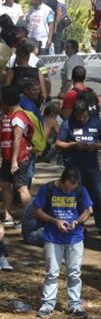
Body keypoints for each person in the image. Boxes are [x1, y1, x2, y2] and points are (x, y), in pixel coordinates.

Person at [33, 168, 93, 319]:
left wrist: (76, 221)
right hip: (52, 237)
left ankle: (75, 305)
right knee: (52, 272)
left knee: (74, 273)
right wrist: (55, 221)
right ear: (61, 180)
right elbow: (37, 210)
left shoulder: (80, 190)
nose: (69, 191)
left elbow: (87, 211)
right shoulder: (48, 189)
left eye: (72, 188)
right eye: (67, 188)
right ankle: (47, 304)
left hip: (75, 237)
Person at [55, 100, 101, 234]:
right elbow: (58, 144)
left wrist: (95, 146)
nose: (81, 119)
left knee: (98, 194)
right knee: (76, 195)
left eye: (84, 116)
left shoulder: (97, 122)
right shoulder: (67, 124)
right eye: (78, 116)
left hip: (92, 166)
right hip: (73, 167)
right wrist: (73, 145)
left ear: (88, 112)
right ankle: (78, 224)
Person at [0, 86, 33, 226]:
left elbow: (17, 140)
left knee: (21, 187)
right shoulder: (8, 113)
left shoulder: (18, 116)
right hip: (7, 157)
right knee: (5, 184)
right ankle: (7, 215)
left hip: (18, 158)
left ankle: (30, 218)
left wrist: (14, 162)